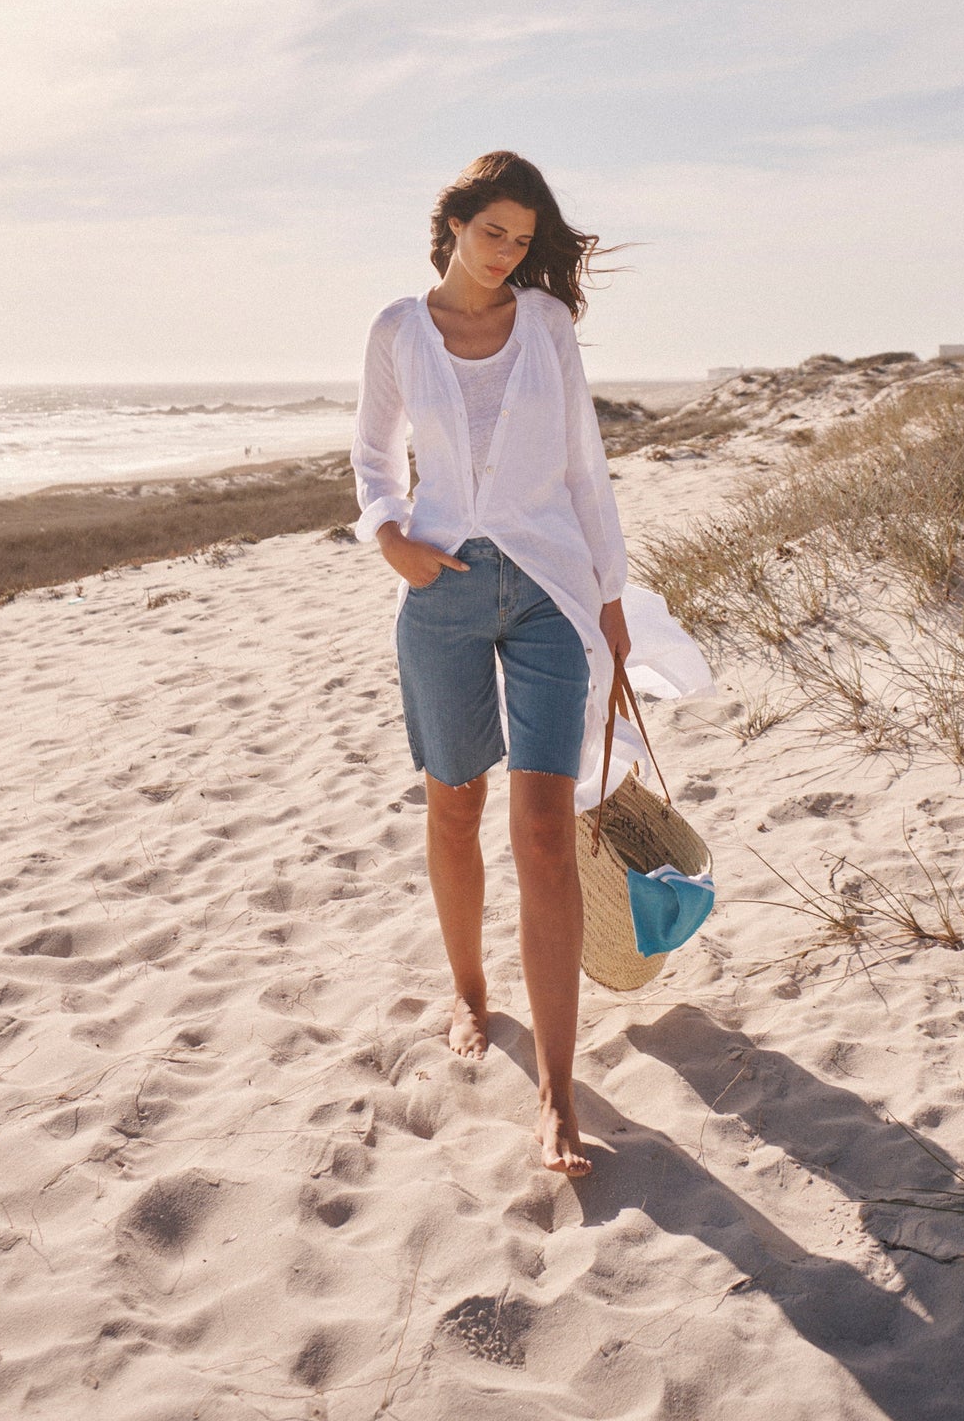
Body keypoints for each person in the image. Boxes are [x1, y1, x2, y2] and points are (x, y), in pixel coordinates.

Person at [351, 151, 631, 1177]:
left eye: (524, 237)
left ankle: (558, 1091)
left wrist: (610, 595)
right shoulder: (398, 331)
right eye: (493, 232)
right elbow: (374, 458)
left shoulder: (548, 330)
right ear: (454, 226)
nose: (509, 251)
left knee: (545, 828)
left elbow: (584, 466)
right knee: (454, 802)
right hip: (443, 592)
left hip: (553, 586)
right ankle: (471, 990)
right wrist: (389, 537)